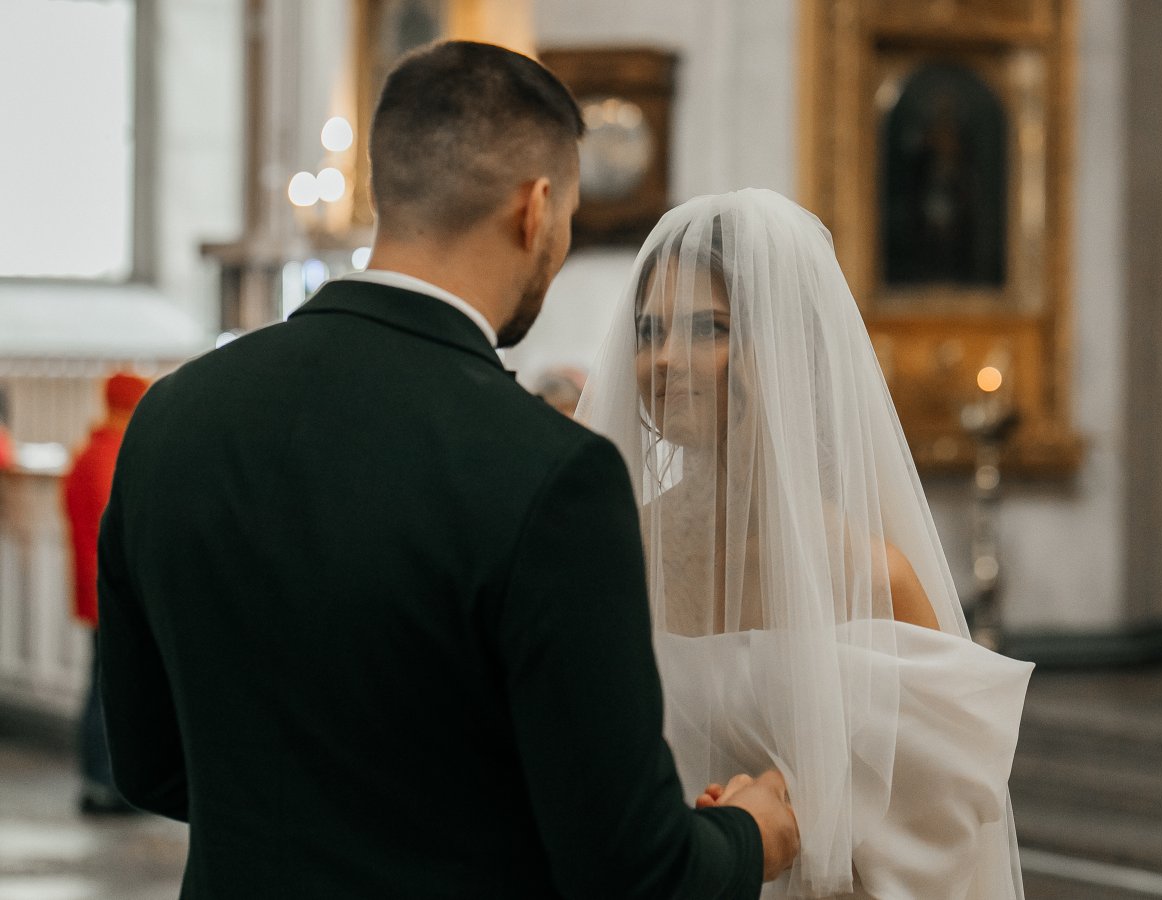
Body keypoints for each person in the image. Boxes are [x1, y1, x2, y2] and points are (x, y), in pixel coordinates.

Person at [97, 42, 797, 898]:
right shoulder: (550, 474)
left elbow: (149, 764)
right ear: (537, 209)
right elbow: (632, 869)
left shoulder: (171, 418)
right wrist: (751, 835)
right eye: (570, 218)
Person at [576, 188, 1034, 898]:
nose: (664, 358)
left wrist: (791, 823)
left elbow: (942, 827)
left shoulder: (869, 577)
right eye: (647, 331)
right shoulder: (617, 551)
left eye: (707, 328)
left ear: (786, 351)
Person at [62, 371, 149, 814]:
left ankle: (102, 781)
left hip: (94, 592)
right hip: (111, 596)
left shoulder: (88, 454)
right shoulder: (113, 458)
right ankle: (104, 783)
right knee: (109, 693)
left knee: (101, 687)